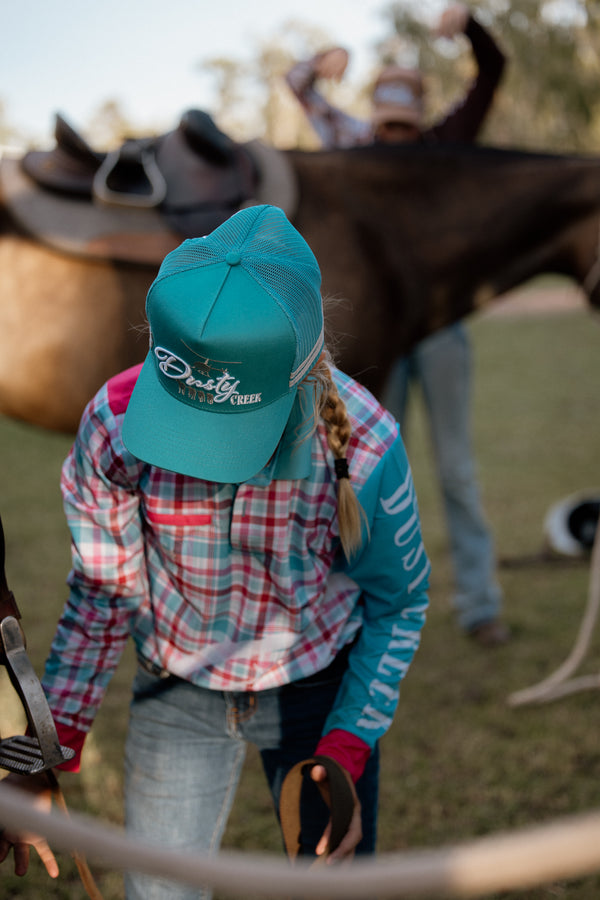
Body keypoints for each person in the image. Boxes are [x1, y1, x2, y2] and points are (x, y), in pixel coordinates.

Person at [0, 204, 430, 899]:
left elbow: (399, 605)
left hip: (317, 692)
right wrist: (43, 756)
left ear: (298, 371)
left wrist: (347, 746)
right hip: (180, 692)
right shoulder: (113, 424)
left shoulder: (366, 447)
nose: (198, 465)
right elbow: (103, 594)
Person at [286, 3, 509, 647]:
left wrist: (469, 25)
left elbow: (492, 72)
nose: (394, 137)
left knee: (457, 468)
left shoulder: (445, 149)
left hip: (439, 331)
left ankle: (479, 605)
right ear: (373, 118)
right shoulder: (353, 145)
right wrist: (318, 59)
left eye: (403, 124)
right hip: (377, 336)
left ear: (420, 118)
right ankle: (357, 606)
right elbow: (299, 89)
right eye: (385, 123)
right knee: (362, 466)